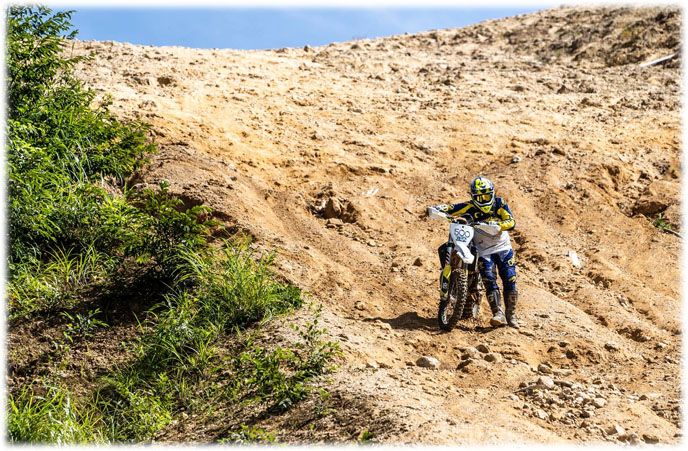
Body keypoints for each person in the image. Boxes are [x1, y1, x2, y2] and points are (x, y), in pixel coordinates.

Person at [426, 176, 519, 328]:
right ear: (473, 197)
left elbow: (511, 221)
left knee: (510, 279)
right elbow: (451, 208)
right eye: (479, 197)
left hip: (503, 248)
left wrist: (499, 225)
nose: (483, 200)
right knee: (489, 280)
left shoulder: (499, 204)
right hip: (483, 251)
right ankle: (498, 313)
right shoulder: (469, 207)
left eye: (486, 196)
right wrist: (436, 209)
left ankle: (511, 315)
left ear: (492, 193)